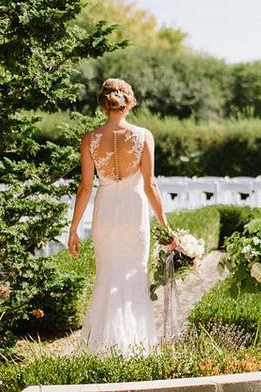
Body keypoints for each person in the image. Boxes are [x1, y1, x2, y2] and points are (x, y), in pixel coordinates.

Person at [67, 78, 177, 353]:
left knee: (107, 276)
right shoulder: (143, 136)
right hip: (133, 213)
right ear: (128, 102)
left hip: (105, 214)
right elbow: (150, 185)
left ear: (104, 104)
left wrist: (74, 228)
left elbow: (85, 187)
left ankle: (101, 348)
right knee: (132, 277)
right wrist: (166, 227)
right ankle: (136, 348)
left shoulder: (90, 139)